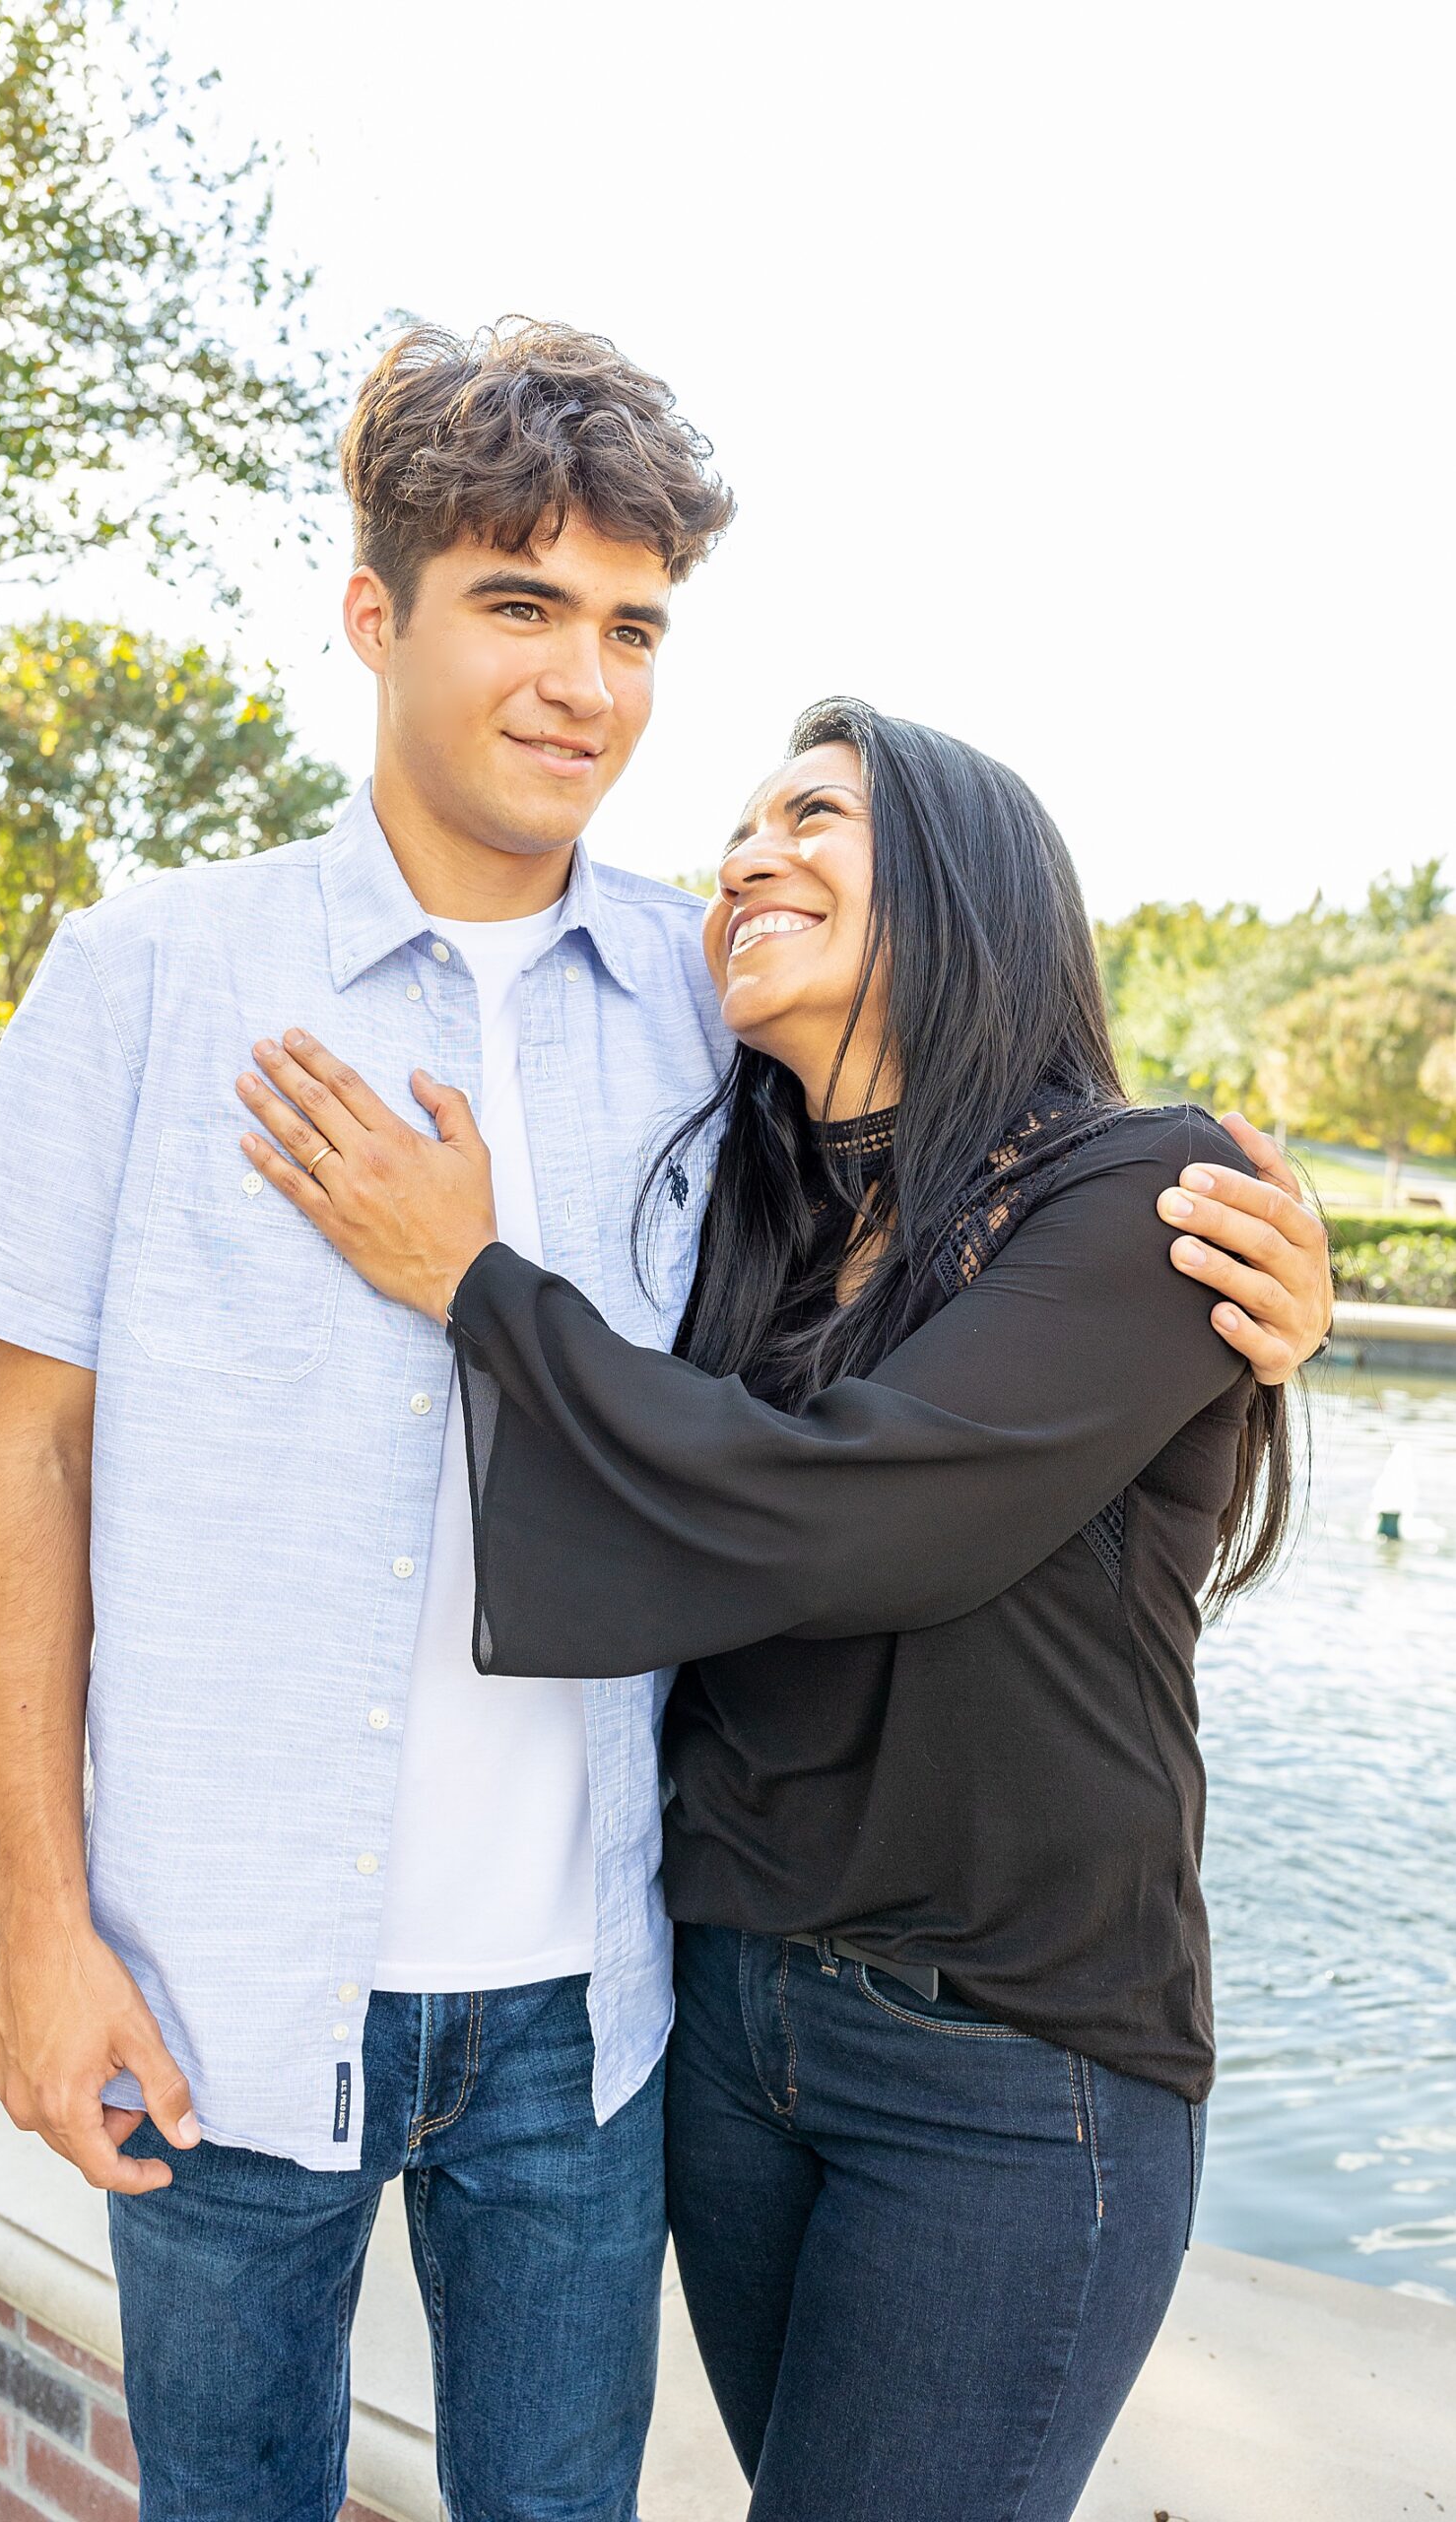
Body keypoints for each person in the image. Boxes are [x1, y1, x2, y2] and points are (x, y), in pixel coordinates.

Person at [0, 316, 1327, 2522]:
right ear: (374, 615)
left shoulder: (703, 988)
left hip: (597, 2008)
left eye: (634, 625)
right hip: (223, 1974)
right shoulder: (153, 973)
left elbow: (949, 1194)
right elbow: (24, 1451)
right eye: (519, 603)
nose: (585, 681)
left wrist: (1245, 1264)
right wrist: (43, 1926)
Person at [232, 699, 1327, 2522]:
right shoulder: (753, 1216)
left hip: (1008, 2066)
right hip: (734, 2032)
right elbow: (651, 1520)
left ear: (970, 884)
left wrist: (480, 1285)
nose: (748, 854)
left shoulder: (1139, 1191)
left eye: (814, 814)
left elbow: (845, 1518)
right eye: (737, 826)